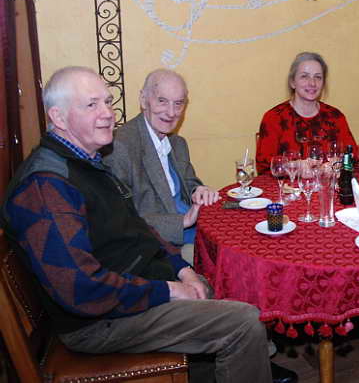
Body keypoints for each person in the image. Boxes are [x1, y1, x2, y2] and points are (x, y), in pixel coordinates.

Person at [0, 67, 273, 382]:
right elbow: (82, 290)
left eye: (107, 101)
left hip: (129, 288)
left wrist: (180, 269)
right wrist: (169, 290)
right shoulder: (46, 186)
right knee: (243, 322)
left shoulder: (88, 163)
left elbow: (140, 229)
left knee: (221, 284)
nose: (107, 114)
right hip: (98, 322)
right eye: (91, 105)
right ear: (59, 118)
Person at [103, 69, 218, 265]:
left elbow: (189, 181)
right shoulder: (120, 147)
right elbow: (123, 220)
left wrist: (199, 190)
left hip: (193, 229)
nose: (171, 113)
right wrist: (183, 221)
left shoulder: (177, 143)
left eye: (178, 103)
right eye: (162, 101)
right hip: (161, 245)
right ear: (143, 100)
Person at [256, 51, 358, 173]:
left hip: (327, 190)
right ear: (292, 82)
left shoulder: (336, 117)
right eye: (304, 76)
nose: (312, 83)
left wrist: (338, 164)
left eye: (318, 77)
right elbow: (264, 168)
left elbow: (355, 160)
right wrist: (294, 167)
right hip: (286, 191)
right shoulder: (273, 118)